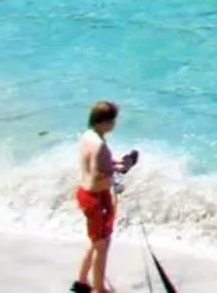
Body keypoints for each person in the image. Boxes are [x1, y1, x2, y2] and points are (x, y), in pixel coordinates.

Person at [72, 100, 138, 293]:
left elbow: (98, 165)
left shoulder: (88, 136)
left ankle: (82, 282)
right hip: (96, 198)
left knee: (96, 242)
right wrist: (116, 181)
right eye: (112, 121)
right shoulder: (100, 145)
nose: (114, 124)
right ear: (104, 122)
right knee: (102, 246)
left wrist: (117, 165)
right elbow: (98, 176)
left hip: (86, 193)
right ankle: (99, 290)